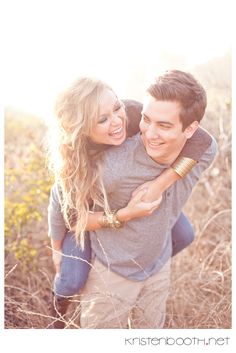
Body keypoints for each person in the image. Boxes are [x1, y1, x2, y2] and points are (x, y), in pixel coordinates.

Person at [47, 73, 214, 328]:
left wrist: (159, 184)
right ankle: (59, 305)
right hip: (82, 214)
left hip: (143, 237)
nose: (116, 122)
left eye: (116, 109)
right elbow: (66, 212)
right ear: (81, 128)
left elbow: (204, 140)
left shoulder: (135, 114)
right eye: (102, 120)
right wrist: (57, 247)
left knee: (184, 234)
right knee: (71, 277)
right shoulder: (82, 162)